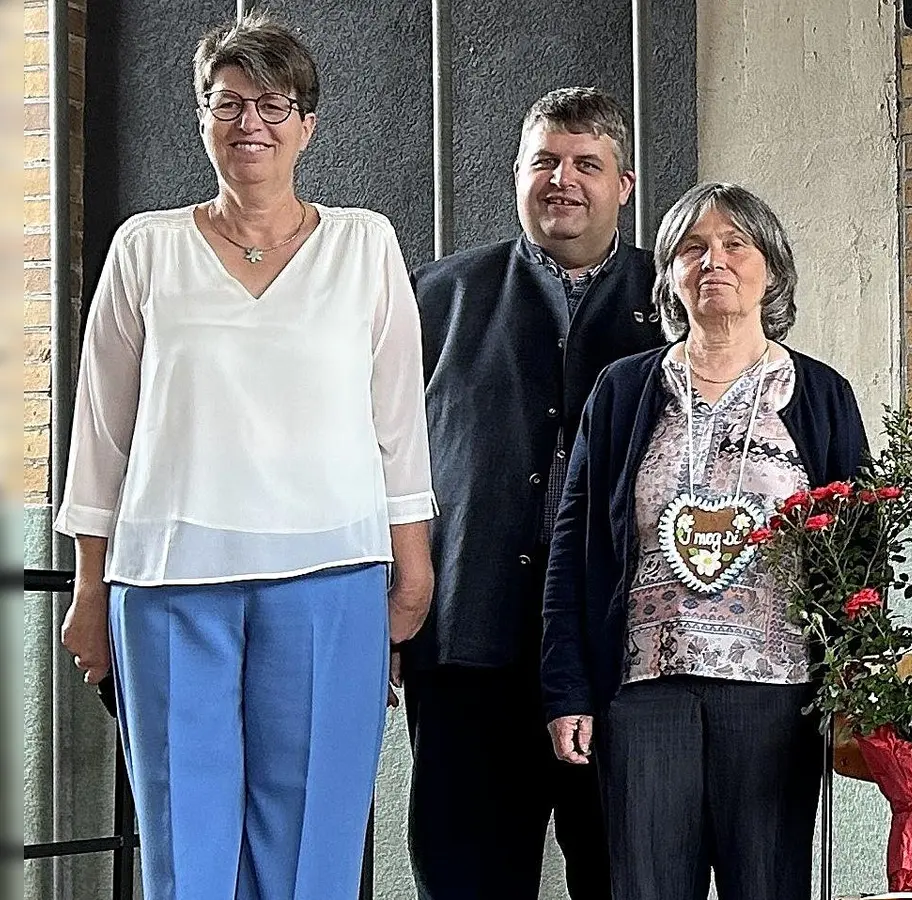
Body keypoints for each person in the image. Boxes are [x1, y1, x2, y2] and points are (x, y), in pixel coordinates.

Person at [54, 14, 434, 899]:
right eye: (228, 103)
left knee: (311, 848)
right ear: (200, 116)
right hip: (168, 581)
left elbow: (398, 423)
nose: (250, 123)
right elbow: (102, 431)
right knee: (184, 843)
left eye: (273, 104)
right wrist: (87, 587)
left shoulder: (365, 243)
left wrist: (411, 571)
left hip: (332, 576)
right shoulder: (145, 248)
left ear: (308, 122)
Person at [542, 181, 867, 900]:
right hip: (644, 694)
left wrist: (856, 681)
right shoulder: (624, 391)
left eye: (733, 244)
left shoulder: (820, 395)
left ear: (771, 269)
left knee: (768, 887)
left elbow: (860, 551)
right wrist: (567, 688)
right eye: (691, 248)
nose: (711, 260)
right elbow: (573, 553)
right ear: (668, 276)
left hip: (779, 697)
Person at [401, 86, 662, 899]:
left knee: (625, 874)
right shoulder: (434, 298)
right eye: (545, 160)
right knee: (465, 876)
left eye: (588, 163)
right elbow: (381, 461)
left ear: (625, 185)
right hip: (469, 643)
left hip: (624, 654)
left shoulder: (679, 298)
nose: (563, 179)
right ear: (516, 173)